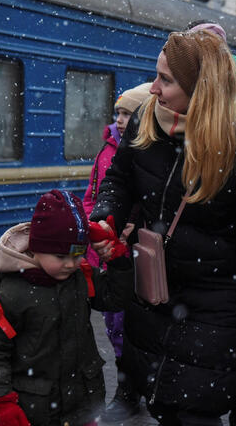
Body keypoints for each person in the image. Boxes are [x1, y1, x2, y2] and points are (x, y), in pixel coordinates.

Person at [89, 29, 236, 426]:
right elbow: (120, 179)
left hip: (218, 305)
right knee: (163, 405)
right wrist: (108, 215)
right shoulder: (145, 122)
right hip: (155, 296)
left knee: (195, 412)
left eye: (166, 80)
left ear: (200, 89)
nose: (153, 89)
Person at [0, 189, 131, 426]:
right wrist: (3, 401)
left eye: (78, 254)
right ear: (37, 247)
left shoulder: (81, 276)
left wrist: (118, 261)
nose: (70, 264)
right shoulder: (12, 293)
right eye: (60, 257)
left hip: (83, 405)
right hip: (36, 410)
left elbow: (115, 298)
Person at [80, 82, 151, 422]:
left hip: (131, 250)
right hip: (107, 247)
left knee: (129, 321)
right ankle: (129, 388)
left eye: (128, 114)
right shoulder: (109, 146)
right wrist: (95, 225)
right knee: (113, 322)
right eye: (118, 113)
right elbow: (95, 192)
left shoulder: (143, 147)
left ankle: (130, 389)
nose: (120, 120)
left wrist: (127, 224)